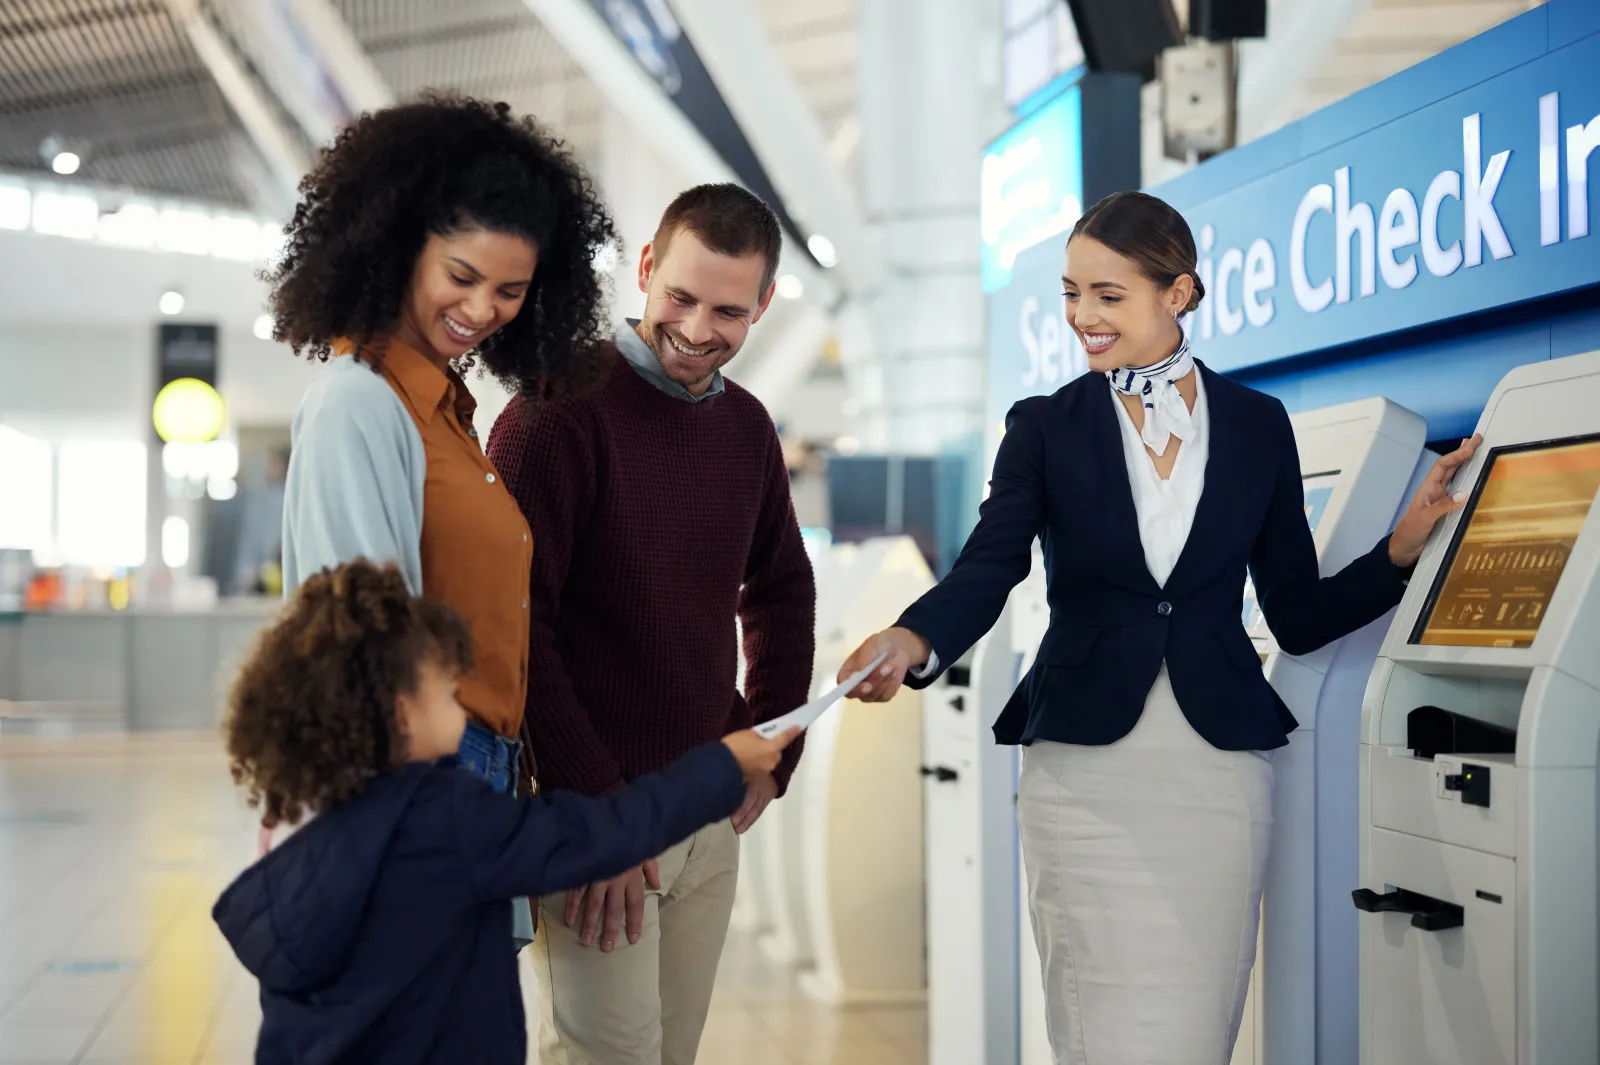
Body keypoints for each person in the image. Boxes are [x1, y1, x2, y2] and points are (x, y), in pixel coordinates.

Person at [836, 190, 1480, 1065]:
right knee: (1097, 1028)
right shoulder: (1042, 426)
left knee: (1196, 1030)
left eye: (1108, 294)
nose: (1082, 318)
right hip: (1085, 776)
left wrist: (1398, 552)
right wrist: (913, 639)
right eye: (1071, 293)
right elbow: (992, 563)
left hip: (1219, 774)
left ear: (1177, 294)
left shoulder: (1257, 424)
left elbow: (1295, 613)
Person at [261, 93, 618, 944]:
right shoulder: (361, 405)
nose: (483, 308)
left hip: (479, 773)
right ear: (398, 246)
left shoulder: (446, 415)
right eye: (462, 276)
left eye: (510, 290)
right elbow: (367, 649)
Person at [213, 559, 798, 1065]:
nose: (463, 698)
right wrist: (722, 765)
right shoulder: (444, 820)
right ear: (400, 713)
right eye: (446, 688)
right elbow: (598, 835)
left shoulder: (312, 832)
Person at [487, 183, 817, 1065]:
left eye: (728, 310)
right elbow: (516, 633)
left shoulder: (746, 427)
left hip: (706, 816)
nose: (699, 328)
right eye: (680, 296)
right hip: (597, 814)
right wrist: (604, 818)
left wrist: (771, 746)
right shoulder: (552, 416)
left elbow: (782, 586)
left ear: (764, 305)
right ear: (644, 269)